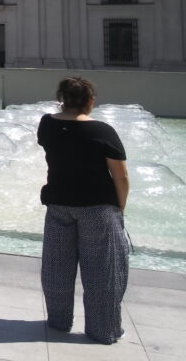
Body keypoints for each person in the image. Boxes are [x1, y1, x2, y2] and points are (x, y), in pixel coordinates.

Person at [38, 77, 130, 345]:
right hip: (97, 207)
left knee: (57, 266)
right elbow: (121, 176)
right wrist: (120, 207)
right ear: (90, 101)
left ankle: (59, 321)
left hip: (59, 203)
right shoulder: (102, 131)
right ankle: (103, 329)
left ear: (62, 99)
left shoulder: (47, 125)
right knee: (102, 271)